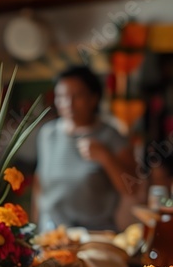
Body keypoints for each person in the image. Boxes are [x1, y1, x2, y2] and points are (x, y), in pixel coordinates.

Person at [35, 66, 141, 232]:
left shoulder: (111, 136)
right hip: (52, 236)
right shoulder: (48, 134)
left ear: (94, 98)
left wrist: (106, 158)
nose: (68, 104)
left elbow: (132, 188)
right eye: (61, 97)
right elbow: (40, 186)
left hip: (96, 236)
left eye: (77, 96)